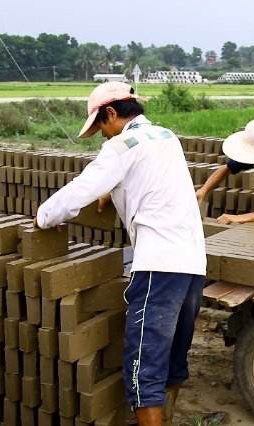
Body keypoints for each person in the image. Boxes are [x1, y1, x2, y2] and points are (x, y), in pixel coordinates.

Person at [34, 82, 206, 426]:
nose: (102, 136)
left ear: (111, 113)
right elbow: (149, 182)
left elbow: (80, 190)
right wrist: (114, 190)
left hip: (158, 267)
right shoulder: (165, 136)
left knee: (144, 369)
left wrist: (43, 216)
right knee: (172, 359)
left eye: (101, 126)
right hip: (192, 263)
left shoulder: (121, 146)